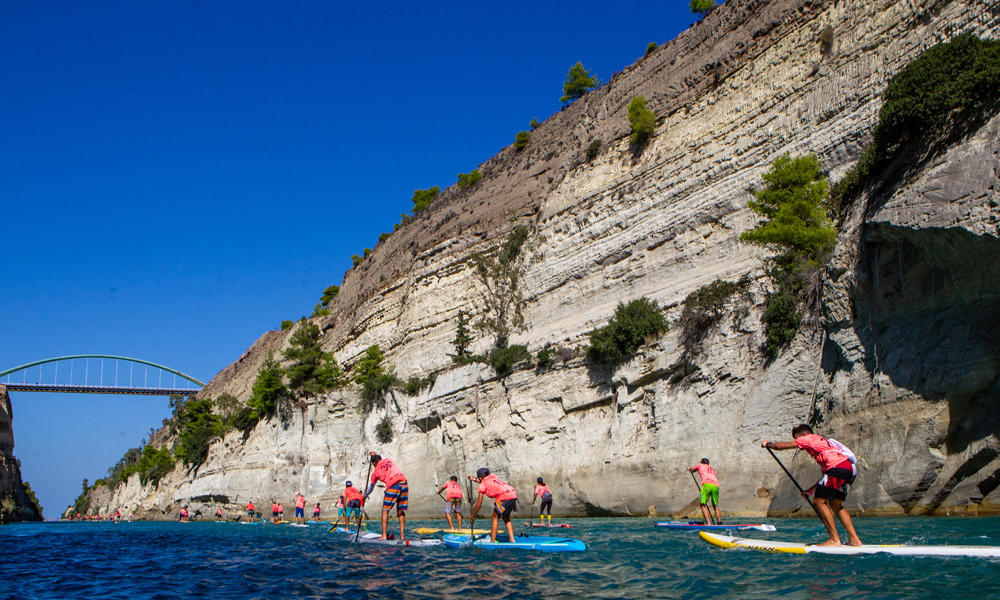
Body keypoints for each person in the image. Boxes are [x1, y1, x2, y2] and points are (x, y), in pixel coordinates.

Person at [762, 424, 863, 547]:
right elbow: (827, 478)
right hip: (848, 469)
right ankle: (855, 540)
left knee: (819, 502)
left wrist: (767, 444)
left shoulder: (808, 438)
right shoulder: (823, 446)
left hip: (838, 469)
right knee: (835, 505)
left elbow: (780, 446)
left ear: (803, 435)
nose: (800, 446)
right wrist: (810, 491)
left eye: (797, 439)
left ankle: (834, 540)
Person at [364, 452, 408, 540]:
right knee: (400, 511)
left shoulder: (375, 472)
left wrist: (365, 496)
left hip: (393, 485)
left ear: (373, 463)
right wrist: (375, 454)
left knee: (385, 510)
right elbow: (382, 457)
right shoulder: (389, 460)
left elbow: (371, 488)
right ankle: (402, 536)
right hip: (404, 483)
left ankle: (384, 536)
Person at [469, 468, 517, 543]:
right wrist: (474, 479)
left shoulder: (482, 484)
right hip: (513, 493)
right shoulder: (493, 476)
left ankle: (492, 541)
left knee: (495, 517)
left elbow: (479, 503)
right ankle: (512, 539)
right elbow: (484, 481)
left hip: (503, 496)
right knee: (505, 517)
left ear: (480, 478)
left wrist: (473, 515)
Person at [688, 458, 722, 525]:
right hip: (716, 485)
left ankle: (708, 523)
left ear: (702, 462)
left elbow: (693, 470)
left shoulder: (700, 465)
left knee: (703, 504)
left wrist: (690, 469)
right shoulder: (712, 469)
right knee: (715, 505)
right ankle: (719, 522)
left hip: (707, 484)